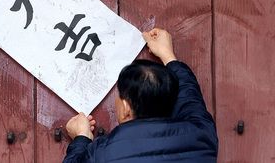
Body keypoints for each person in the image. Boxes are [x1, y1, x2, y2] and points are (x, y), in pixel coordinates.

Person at [64, 28, 218, 163]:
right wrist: (168, 55)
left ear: (126, 108)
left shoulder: (102, 154)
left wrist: (81, 137)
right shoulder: (201, 136)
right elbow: (189, 97)